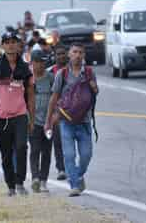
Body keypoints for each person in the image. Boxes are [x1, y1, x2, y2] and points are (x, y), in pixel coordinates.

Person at [44, 43, 98, 197]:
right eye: (74, 52)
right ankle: (74, 185)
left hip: (85, 122)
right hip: (66, 122)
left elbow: (93, 94)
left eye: (81, 52)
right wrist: (48, 121)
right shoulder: (62, 74)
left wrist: (95, 88)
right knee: (69, 155)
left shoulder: (89, 73)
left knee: (86, 155)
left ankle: (79, 175)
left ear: (84, 55)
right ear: (69, 54)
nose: (78, 55)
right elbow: (54, 98)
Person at [0, 31, 35, 197]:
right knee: (6, 154)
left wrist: (32, 118)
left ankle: (20, 183)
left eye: (14, 41)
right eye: (7, 42)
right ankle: (11, 186)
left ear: (18, 44)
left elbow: (30, 94)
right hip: (1, 118)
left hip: (20, 115)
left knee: (21, 147)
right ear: (3, 45)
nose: (11, 45)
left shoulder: (25, 68)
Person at [29, 50, 54, 193]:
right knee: (35, 150)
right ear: (32, 62)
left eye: (43, 62)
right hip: (32, 122)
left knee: (46, 152)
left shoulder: (51, 78)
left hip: (48, 123)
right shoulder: (27, 79)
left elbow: (57, 98)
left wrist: (54, 116)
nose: (41, 65)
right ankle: (35, 179)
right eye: (38, 62)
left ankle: (44, 181)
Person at [46, 44, 68, 180]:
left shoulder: (73, 71)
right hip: (56, 113)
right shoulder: (50, 72)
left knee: (70, 141)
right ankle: (61, 168)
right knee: (58, 141)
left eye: (63, 53)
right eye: (58, 54)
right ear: (54, 56)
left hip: (72, 112)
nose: (60, 56)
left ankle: (70, 165)